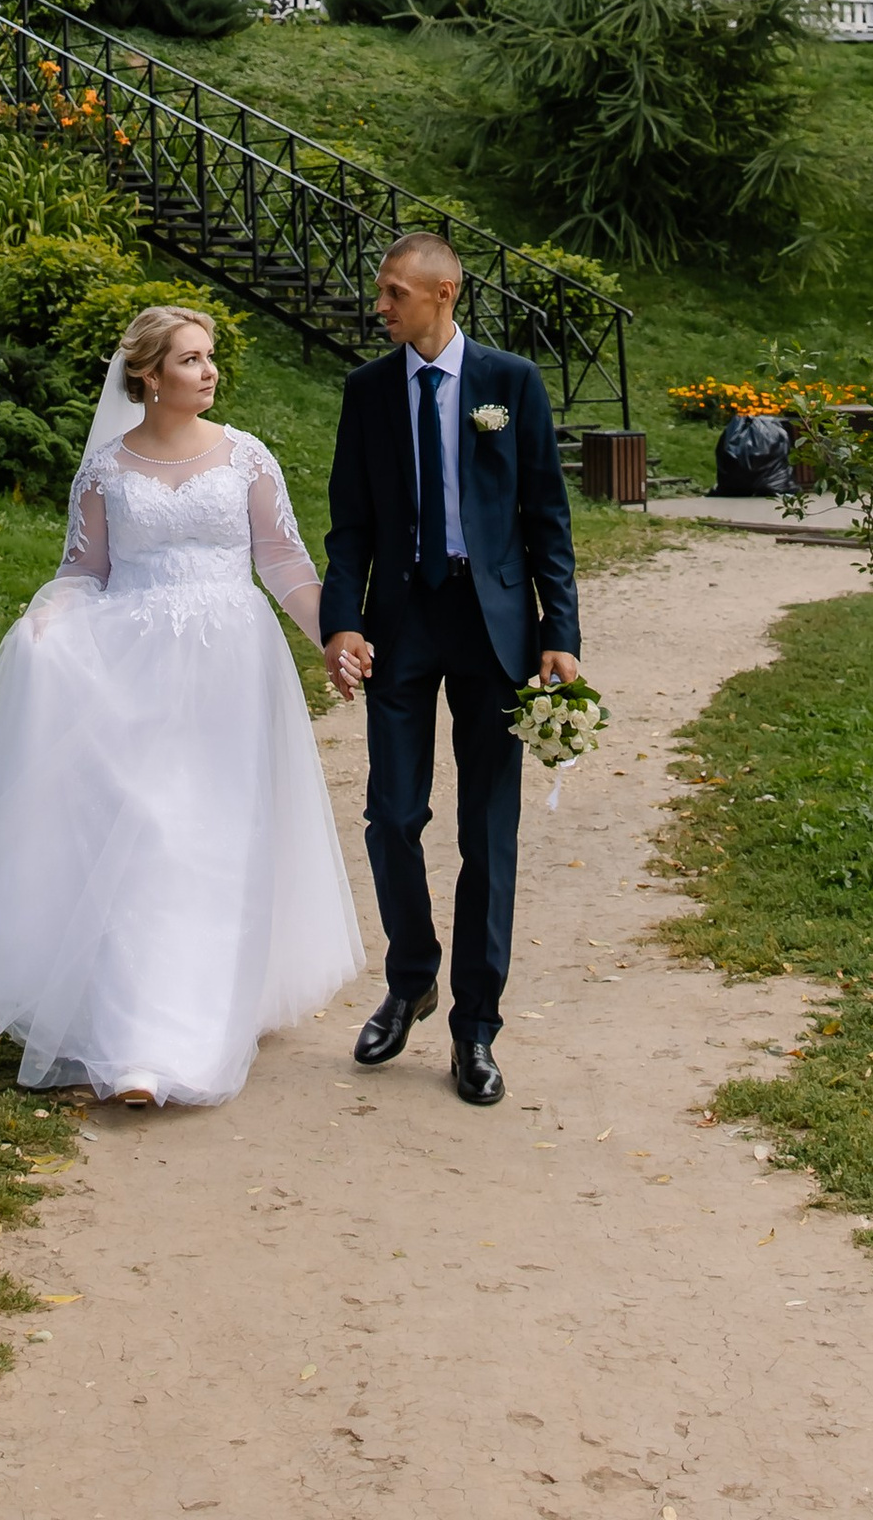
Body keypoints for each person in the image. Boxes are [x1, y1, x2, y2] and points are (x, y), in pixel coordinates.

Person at [0, 304, 363, 1109]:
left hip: (231, 667)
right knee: (147, 832)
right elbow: (84, 570)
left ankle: (208, 1008)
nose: (209, 371)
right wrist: (49, 617)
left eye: (209, 356)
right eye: (190, 359)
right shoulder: (106, 470)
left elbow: (283, 563)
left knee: (214, 835)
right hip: (134, 668)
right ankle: (142, 1041)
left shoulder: (246, 457)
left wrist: (333, 640)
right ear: (148, 374)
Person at [319, 231, 581, 1106]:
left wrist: (560, 630)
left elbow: (547, 514)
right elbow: (350, 525)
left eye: (394, 291)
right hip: (401, 621)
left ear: (444, 291)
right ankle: (410, 979)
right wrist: (343, 622)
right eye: (380, 291)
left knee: (486, 832)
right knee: (391, 815)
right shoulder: (366, 391)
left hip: (492, 623)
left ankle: (476, 1028)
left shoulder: (512, 382)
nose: (380, 306)